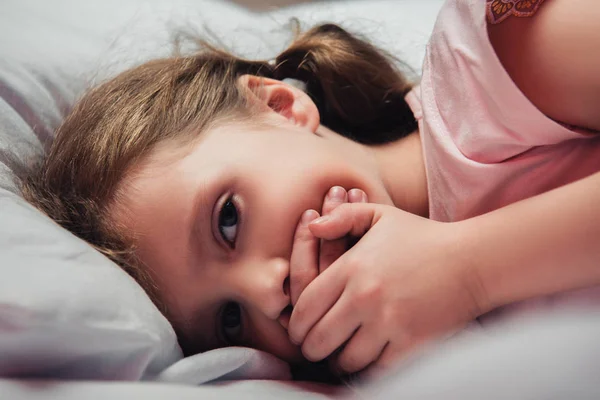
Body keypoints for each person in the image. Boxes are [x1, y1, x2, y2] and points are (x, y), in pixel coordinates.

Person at [18, 0, 600, 379]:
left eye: (228, 220)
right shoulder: (407, 363)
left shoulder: (495, 65)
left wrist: (470, 271)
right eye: (229, 320)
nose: (269, 294)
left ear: (281, 106)